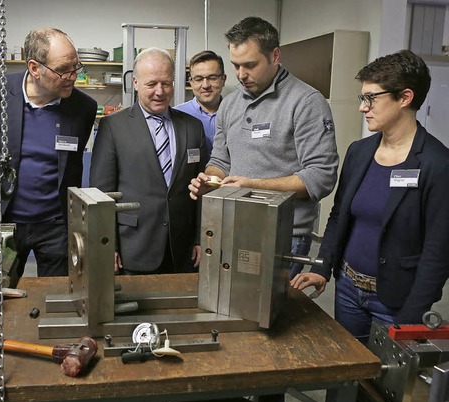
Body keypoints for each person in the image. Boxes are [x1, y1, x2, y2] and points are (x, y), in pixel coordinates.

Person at [291, 50, 449, 344]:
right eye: (362, 98)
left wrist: (411, 316)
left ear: (404, 97)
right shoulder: (360, 152)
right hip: (349, 289)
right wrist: (323, 267)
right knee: (347, 375)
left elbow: (438, 252)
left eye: (371, 98)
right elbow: (339, 215)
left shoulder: (437, 164)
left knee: (382, 387)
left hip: (396, 302)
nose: (363, 108)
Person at [188, 16, 338, 279]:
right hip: (234, 226)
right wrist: (209, 179)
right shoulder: (230, 104)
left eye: (250, 65)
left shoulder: (306, 103)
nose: (241, 74)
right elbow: (221, 160)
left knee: (270, 316)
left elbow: (320, 177)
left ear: (275, 56)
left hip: (283, 235)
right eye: (235, 65)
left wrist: (252, 185)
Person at [0, 27, 97, 277]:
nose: (72, 76)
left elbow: (71, 160)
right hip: (3, 219)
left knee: (57, 294)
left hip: (56, 224)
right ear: (35, 68)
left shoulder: (83, 107)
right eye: (63, 70)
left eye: (76, 67)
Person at [90, 47, 208, 275]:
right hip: (133, 246)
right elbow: (101, 193)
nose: (160, 92)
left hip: (182, 249)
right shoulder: (113, 127)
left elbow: (201, 191)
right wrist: (107, 244)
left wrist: (201, 237)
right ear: (135, 82)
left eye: (166, 83)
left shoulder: (192, 127)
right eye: (151, 84)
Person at [174, 50, 226, 155]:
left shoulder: (237, 114)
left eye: (212, 78)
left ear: (223, 79)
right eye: (198, 79)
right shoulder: (176, 116)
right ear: (191, 82)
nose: (205, 85)